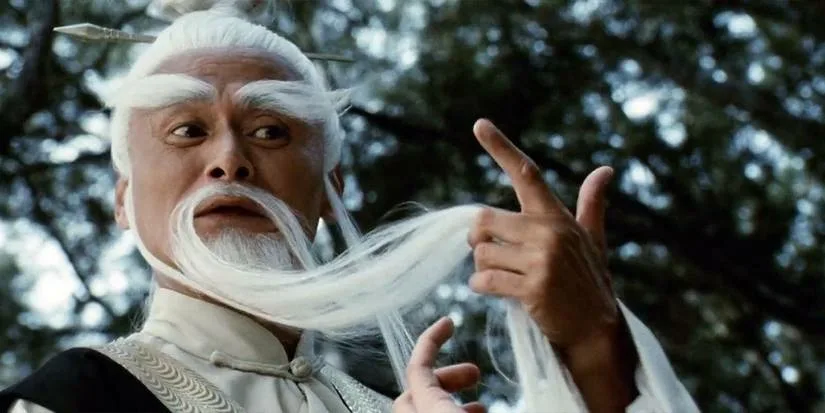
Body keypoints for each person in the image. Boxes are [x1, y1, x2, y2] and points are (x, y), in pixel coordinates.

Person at [0, 1, 699, 412]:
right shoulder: (71, 398)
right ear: (123, 199)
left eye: (271, 131)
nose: (229, 160)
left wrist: (592, 347)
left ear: (331, 187)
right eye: (186, 130)